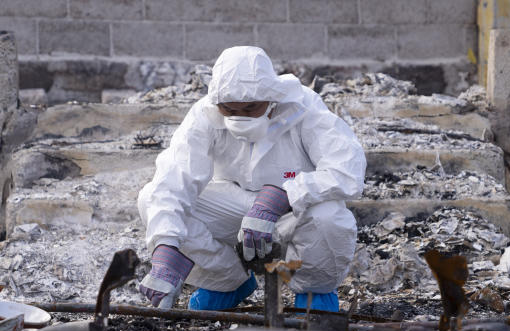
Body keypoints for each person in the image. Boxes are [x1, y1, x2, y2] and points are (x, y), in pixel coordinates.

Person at [136, 45, 366, 312]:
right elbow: (173, 179)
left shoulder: (303, 106)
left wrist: (284, 195)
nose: (239, 117)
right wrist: (165, 246)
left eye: (250, 108)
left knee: (330, 216)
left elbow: (348, 170)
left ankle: (314, 292)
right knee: (151, 198)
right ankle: (228, 281)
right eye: (229, 109)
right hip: (235, 209)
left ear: (271, 98)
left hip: (293, 212)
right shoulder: (205, 114)